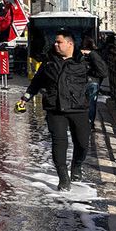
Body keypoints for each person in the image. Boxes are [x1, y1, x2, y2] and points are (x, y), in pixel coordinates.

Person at [16, 30, 90, 191]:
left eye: (59, 42)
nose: (55, 44)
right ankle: (63, 178)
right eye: (55, 42)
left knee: (83, 143)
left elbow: (102, 72)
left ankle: (76, 166)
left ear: (70, 44)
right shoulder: (49, 62)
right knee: (59, 142)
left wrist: (93, 54)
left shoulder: (82, 61)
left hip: (78, 108)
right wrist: (25, 98)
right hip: (55, 108)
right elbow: (36, 83)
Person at [80, 37, 108, 129]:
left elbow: (103, 72)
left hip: (89, 82)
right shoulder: (96, 55)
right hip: (90, 82)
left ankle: (87, 123)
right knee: (90, 104)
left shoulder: (93, 55)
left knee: (88, 104)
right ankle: (89, 123)